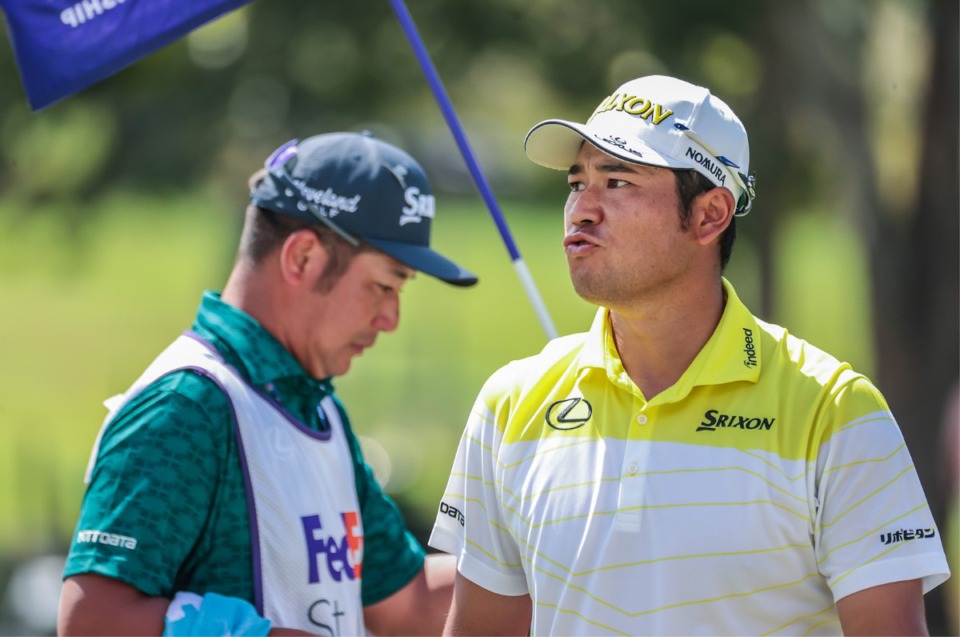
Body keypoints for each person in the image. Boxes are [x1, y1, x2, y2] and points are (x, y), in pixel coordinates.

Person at [429, 75, 951, 636]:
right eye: (576, 182)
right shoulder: (511, 403)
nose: (581, 208)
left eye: (618, 181)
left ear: (710, 215)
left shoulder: (835, 411)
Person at [58, 131, 477, 636]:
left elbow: (406, 602)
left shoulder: (316, 409)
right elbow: (92, 621)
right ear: (302, 257)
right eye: (384, 285)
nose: (391, 317)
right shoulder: (187, 406)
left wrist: (552, 551)